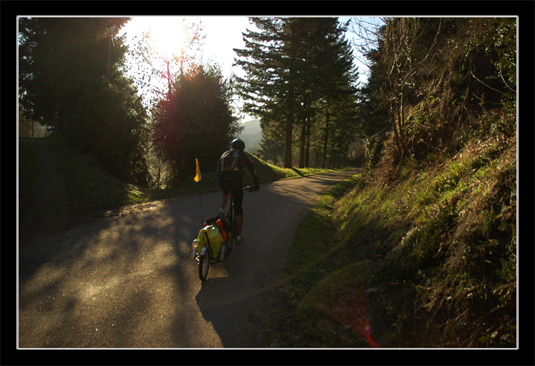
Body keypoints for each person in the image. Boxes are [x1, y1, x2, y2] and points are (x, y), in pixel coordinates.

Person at [217, 138, 260, 245]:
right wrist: (256, 183)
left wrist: (222, 183)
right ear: (242, 148)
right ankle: (239, 237)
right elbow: (252, 170)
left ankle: (221, 209)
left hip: (223, 181)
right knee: (238, 208)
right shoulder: (243, 156)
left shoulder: (225, 154)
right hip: (236, 184)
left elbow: (218, 169)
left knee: (225, 191)